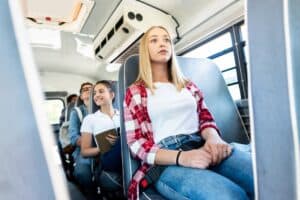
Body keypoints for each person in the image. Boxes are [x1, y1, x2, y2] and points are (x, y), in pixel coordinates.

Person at [124, 26, 254, 200]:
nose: (162, 43)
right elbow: (137, 144)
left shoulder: (188, 85)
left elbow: (206, 119)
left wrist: (213, 138)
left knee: (261, 176)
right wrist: (182, 157)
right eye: (154, 40)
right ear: (145, 50)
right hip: (167, 159)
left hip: (202, 144)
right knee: (230, 196)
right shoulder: (135, 92)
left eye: (166, 40)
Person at [80, 80, 123, 194]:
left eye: (101, 91)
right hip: (106, 160)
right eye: (94, 93)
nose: (96, 95)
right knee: (121, 141)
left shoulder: (123, 115)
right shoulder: (90, 119)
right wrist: (103, 147)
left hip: (126, 157)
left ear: (112, 95)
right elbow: (84, 152)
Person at [68, 82, 93, 191]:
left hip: (104, 149)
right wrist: (91, 141)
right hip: (84, 150)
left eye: (91, 88)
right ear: (81, 96)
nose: (88, 90)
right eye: (84, 89)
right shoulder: (76, 112)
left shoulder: (103, 108)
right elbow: (73, 138)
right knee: (82, 173)